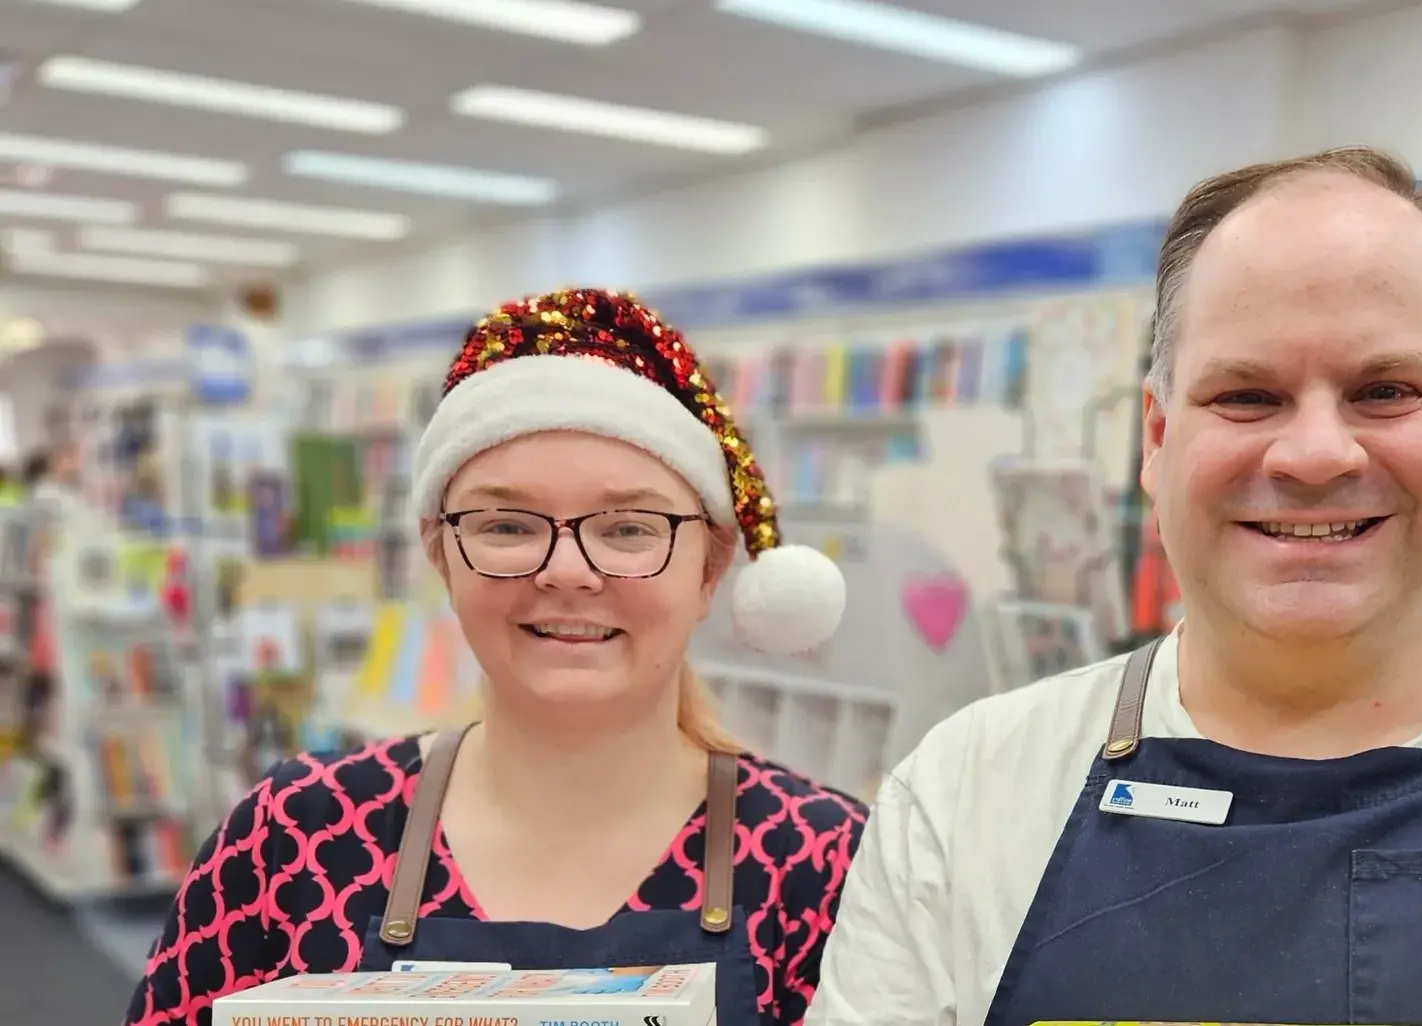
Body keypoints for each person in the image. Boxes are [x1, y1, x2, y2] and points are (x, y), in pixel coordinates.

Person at [806, 147, 1422, 1026]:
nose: (1314, 452)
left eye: (1385, 390)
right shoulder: (963, 797)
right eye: (1247, 395)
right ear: (1158, 436)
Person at [127, 289, 867, 1026]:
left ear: (710, 569)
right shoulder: (297, 832)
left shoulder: (829, 861)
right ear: (440, 552)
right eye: (508, 525)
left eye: (630, 529)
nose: (568, 571)